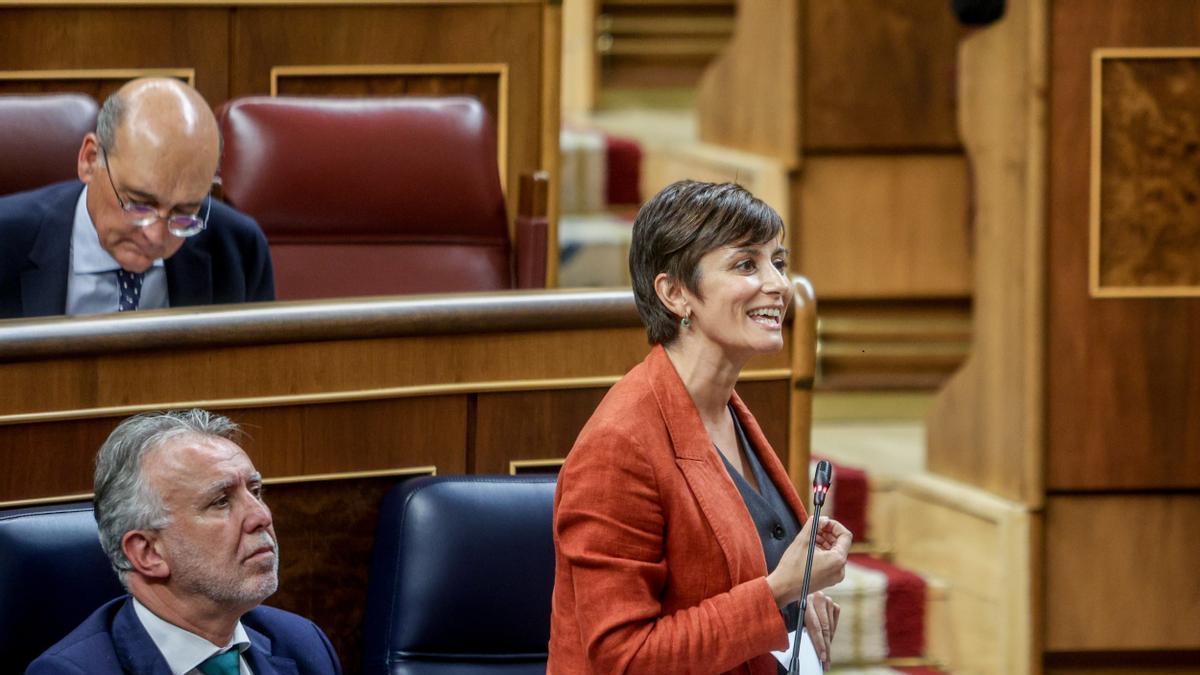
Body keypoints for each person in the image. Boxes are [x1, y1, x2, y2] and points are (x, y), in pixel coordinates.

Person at [548, 180, 853, 674]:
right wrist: (777, 592)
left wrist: (797, 598)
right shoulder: (618, 446)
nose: (778, 284)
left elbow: (723, 571)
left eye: (778, 261)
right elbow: (625, 659)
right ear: (674, 293)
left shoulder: (725, 406)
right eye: (745, 264)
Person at [26, 409, 341, 675]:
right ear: (148, 553)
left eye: (255, 491)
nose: (261, 516)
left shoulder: (301, 644)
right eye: (220, 501)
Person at [0, 78, 274, 319]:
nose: (155, 236)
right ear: (91, 160)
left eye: (183, 211)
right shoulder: (7, 240)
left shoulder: (238, 250)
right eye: (140, 204)